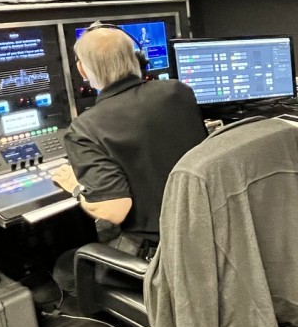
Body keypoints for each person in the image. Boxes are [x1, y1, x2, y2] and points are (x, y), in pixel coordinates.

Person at [51, 25, 206, 260]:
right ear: (137, 59)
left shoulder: (85, 129)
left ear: (82, 70)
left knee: (65, 267)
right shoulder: (179, 92)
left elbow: (113, 211)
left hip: (161, 257)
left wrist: (75, 186)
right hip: (208, 234)